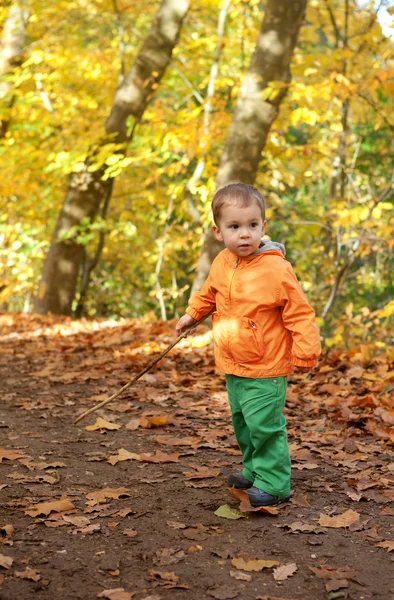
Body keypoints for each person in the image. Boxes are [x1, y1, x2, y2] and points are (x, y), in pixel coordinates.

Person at [176, 183, 321, 507]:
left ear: (263, 227)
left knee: (265, 426)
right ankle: (254, 469)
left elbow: (300, 312)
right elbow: (209, 293)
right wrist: (191, 315)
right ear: (218, 231)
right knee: (243, 424)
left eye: (252, 226)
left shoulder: (276, 269)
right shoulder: (222, 262)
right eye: (235, 227)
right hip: (233, 363)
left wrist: (306, 351)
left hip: (266, 367)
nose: (244, 234)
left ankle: (275, 484)